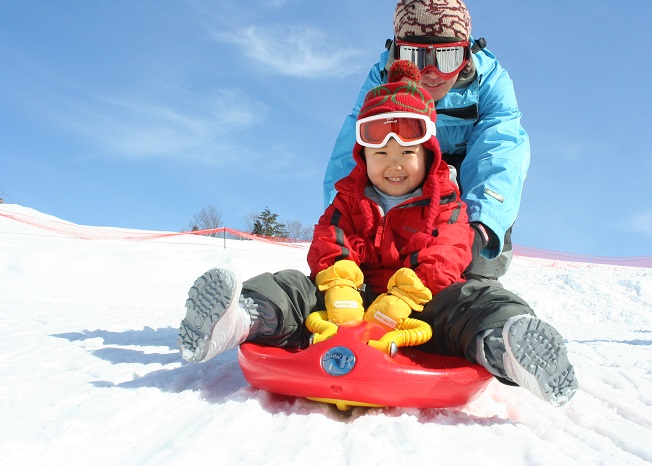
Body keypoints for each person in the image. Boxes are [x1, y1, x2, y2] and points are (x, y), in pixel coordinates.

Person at [178, 60, 578, 407]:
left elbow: (448, 253)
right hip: (349, 304)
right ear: (363, 157)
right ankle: (240, 318)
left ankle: (507, 346)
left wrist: (404, 299)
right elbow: (328, 246)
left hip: (421, 307)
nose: (394, 165)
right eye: (380, 155)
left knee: (477, 300)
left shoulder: (446, 204)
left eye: (407, 153)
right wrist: (338, 292)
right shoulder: (348, 201)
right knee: (292, 286)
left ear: (428, 154)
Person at [325, 0, 529, 280]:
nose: (432, 73)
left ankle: (473, 292)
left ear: (466, 56)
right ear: (398, 54)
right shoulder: (381, 82)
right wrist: (340, 224)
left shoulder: (490, 81)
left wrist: (481, 227)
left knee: (475, 263)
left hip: (463, 181)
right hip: (402, 171)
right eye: (416, 59)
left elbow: (500, 152)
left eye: (448, 59)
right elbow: (355, 150)